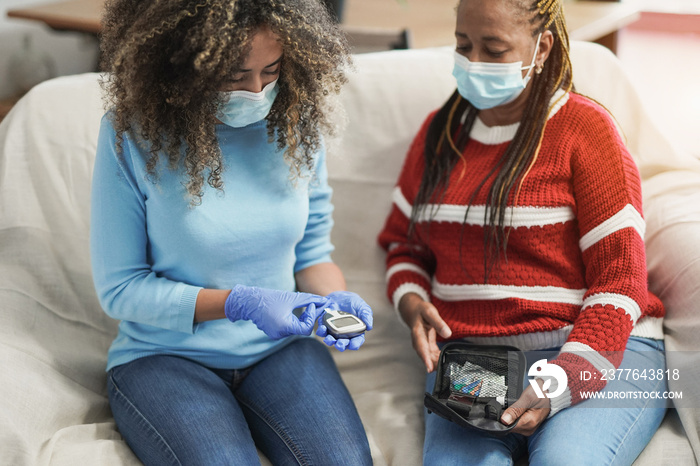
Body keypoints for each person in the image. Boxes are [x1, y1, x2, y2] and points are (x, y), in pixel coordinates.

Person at [378, 0, 668, 464]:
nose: (473, 63)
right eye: (463, 45)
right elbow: (403, 246)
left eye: (494, 49)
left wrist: (565, 377)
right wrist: (413, 304)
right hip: (475, 361)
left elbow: (620, 279)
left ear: (541, 47)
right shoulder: (440, 135)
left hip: (596, 345)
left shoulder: (586, 131)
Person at [90, 0, 373, 464]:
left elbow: (312, 254)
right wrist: (238, 303)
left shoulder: (297, 124)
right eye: (235, 76)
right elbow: (120, 290)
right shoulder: (132, 137)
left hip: (279, 351)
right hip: (164, 356)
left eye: (272, 70)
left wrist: (333, 301)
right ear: (185, 63)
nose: (257, 91)